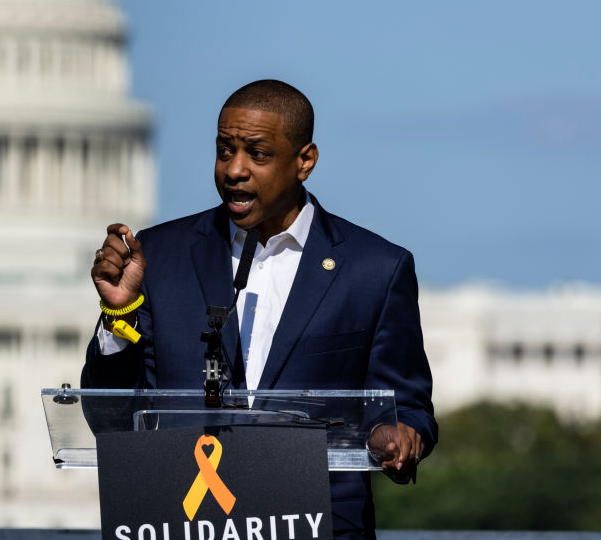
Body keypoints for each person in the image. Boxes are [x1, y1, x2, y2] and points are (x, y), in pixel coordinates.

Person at [82, 79, 436, 538]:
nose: (235, 170)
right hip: (182, 520)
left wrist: (401, 435)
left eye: (258, 154)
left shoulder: (375, 269)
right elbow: (109, 417)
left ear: (304, 161)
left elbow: (408, 404)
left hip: (318, 524)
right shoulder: (159, 256)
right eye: (224, 150)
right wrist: (119, 315)